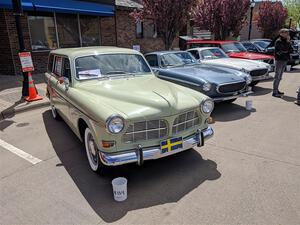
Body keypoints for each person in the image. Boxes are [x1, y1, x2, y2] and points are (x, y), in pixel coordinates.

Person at [273, 28, 293, 98]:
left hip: (284, 60)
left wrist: (288, 42)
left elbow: (291, 50)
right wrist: (286, 50)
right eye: (286, 33)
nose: (288, 34)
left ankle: (276, 89)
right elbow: (282, 51)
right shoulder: (279, 41)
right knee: (277, 76)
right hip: (279, 60)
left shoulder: (287, 41)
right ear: (281, 33)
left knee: (280, 77)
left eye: (288, 33)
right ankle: (274, 92)